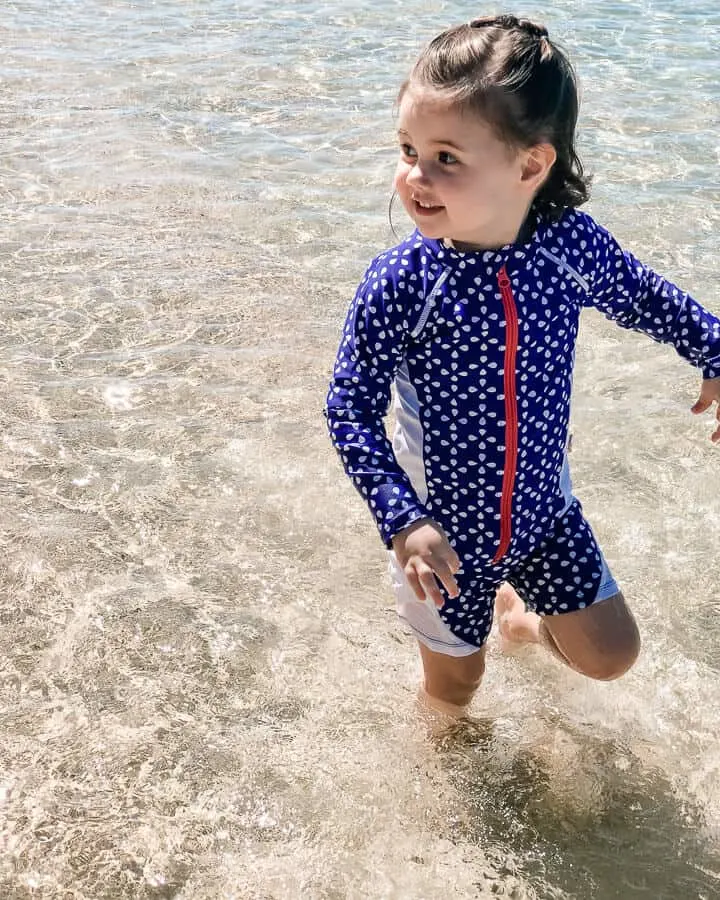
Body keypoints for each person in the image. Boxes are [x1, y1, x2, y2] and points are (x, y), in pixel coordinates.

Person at [324, 15, 720, 724]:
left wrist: (713, 351)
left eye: (447, 156)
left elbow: (643, 296)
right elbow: (349, 408)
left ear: (530, 166)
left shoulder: (565, 245)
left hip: (543, 514)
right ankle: (444, 802)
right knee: (456, 687)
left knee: (611, 654)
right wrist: (402, 521)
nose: (416, 176)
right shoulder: (404, 280)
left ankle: (524, 626)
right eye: (409, 148)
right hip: (442, 541)